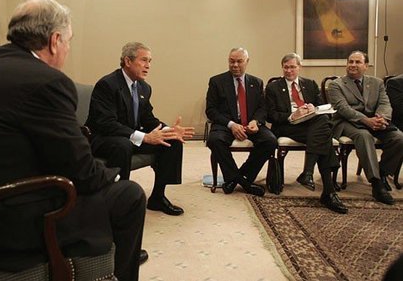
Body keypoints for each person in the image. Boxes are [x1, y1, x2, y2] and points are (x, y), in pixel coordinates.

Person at [0, 0, 146, 281]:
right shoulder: (46, 81)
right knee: (128, 195)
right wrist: (111, 176)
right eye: (69, 42)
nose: (67, 50)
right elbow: (81, 170)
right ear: (54, 40)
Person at [85, 42, 194, 216]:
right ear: (128, 61)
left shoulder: (144, 87)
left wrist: (168, 130)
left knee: (171, 141)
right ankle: (119, 201)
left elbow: (148, 119)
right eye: (144, 60)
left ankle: (158, 197)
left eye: (150, 61)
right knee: (123, 145)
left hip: (129, 136)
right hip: (103, 137)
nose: (148, 66)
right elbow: (106, 123)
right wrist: (143, 137)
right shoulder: (108, 84)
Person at [265, 53, 347, 214]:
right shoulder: (273, 87)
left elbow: (323, 108)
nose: (289, 70)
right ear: (282, 68)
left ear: (299, 67)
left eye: (293, 67)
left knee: (321, 126)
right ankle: (328, 191)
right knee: (323, 135)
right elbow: (270, 115)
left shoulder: (310, 84)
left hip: (310, 124)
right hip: (288, 126)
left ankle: (310, 175)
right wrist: (292, 115)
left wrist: (313, 109)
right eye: (286, 67)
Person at [328, 51, 403, 205]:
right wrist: (366, 120)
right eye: (350, 62)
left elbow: (385, 103)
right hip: (348, 122)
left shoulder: (377, 83)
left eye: (357, 62)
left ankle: (382, 172)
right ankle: (376, 183)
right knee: (364, 136)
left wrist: (381, 118)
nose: (353, 65)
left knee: (399, 138)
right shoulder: (336, 84)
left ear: (366, 66)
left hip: (375, 121)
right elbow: (343, 108)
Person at [205, 47, 277, 196]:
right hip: (226, 124)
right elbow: (211, 110)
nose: (235, 65)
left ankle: (239, 178)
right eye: (232, 61)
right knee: (214, 140)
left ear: (247, 62)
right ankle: (244, 183)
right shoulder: (216, 81)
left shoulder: (256, 82)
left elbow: (262, 108)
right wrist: (231, 125)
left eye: (239, 61)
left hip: (250, 124)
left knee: (270, 141)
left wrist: (256, 122)